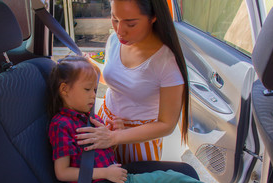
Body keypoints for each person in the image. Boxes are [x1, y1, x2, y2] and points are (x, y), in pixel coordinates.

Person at [47, 56, 273, 183]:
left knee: (176, 179)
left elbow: (94, 153)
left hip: (115, 180)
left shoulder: (85, 116)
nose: (92, 96)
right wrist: (105, 172)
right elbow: (62, 172)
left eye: (94, 89)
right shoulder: (60, 125)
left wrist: (115, 131)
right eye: (88, 89)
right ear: (65, 89)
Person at [75, 0, 189, 164]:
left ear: (153, 17)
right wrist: (91, 69)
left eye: (131, 24)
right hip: (104, 125)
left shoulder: (166, 62)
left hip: (138, 141)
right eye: (115, 19)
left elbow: (167, 124)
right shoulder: (114, 40)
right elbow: (120, 82)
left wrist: (114, 137)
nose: (120, 31)